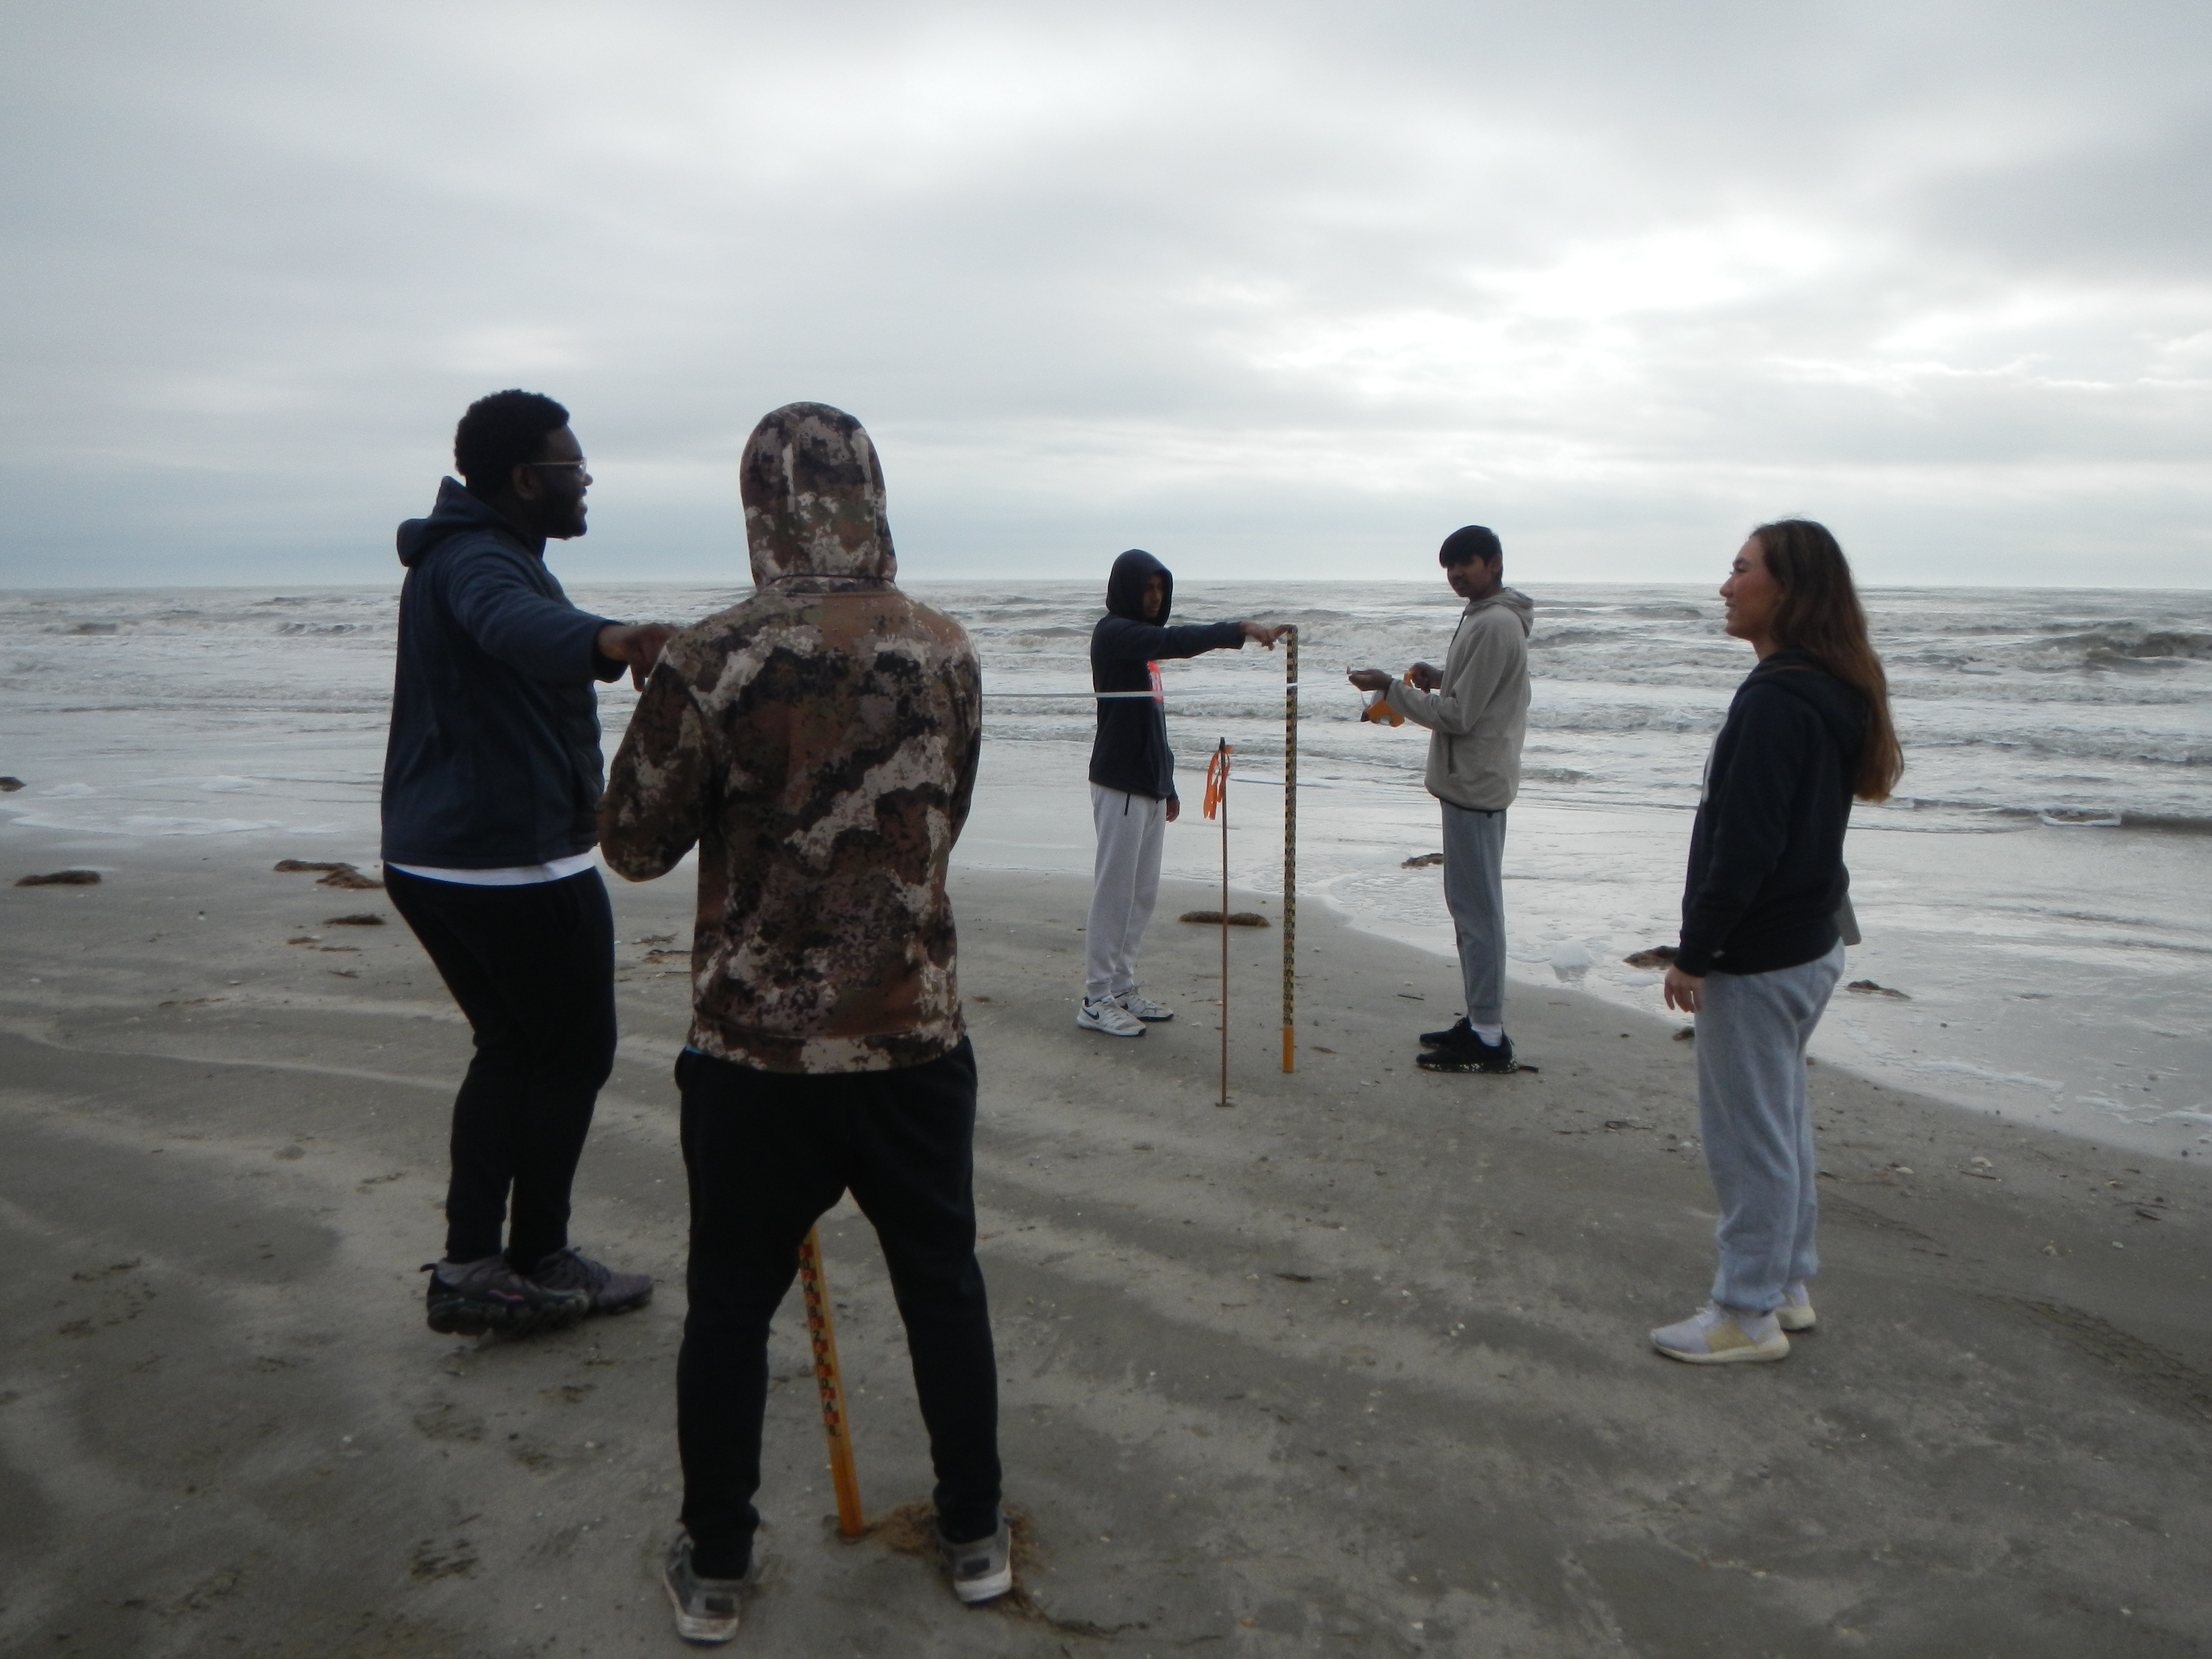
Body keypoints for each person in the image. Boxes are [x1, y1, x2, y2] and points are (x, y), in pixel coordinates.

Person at [599, 403, 1007, 1644]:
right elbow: (946, 815)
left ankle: (718, 1566)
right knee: (942, 1286)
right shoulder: (946, 651)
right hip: (913, 1037)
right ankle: (976, 1532)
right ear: (873, 497)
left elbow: (632, 845)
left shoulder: (712, 658)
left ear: (760, 513)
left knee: (730, 1305)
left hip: (755, 1056)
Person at [383, 389, 671, 1338]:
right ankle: (535, 1256)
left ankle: (476, 1265)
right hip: (505, 867)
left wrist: (601, 633)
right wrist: (608, 640)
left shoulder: (480, 554)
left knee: (513, 1050)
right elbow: (513, 624)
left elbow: (524, 618)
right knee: (570, 1055)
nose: (585, 482)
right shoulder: (478, 562)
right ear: (524, 478)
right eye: (571, 467)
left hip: (439, 857)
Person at [1651, 519, 1902, 1364]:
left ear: (1787, 590)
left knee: (1748, 1139)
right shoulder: (1828, 686)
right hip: (1810, 941)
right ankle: (1785, 1284)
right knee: (1780, 1121)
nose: (1726, 586)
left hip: (1763, 954)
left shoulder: (1776, 698)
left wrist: (1695, 952)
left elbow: (1745, 847)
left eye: (1741, 569)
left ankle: (1744, 1314)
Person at [1348, 525, 1533, 1073]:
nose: (1456, 575)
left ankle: (1489, 1037)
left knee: (1478, 913)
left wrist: (1393, 689)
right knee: (1471, 908)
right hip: (1476, 781)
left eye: (1466, 564)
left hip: (1476, 785)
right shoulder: (1489, 617)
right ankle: (1480, 1021)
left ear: (1493, 563)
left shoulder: (1495, 622)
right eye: (1449, 567)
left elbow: (1459, 715)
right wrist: (1441, 676)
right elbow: (1481, 688)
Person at [1082, 550, 1287, 1037]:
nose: (1155, 598)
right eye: (1147, 589)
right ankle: (1095, 998)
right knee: (1115, 892)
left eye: (1161, 588)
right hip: (1119, 781)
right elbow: (1177, 640)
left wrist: (1167, 782)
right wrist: (1238, 630)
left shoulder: (1143, 650)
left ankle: (1122, 986)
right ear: (1127, 589)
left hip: (1149, 784)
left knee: (1143, 894)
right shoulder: (1115, 634)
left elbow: (1153, 721)